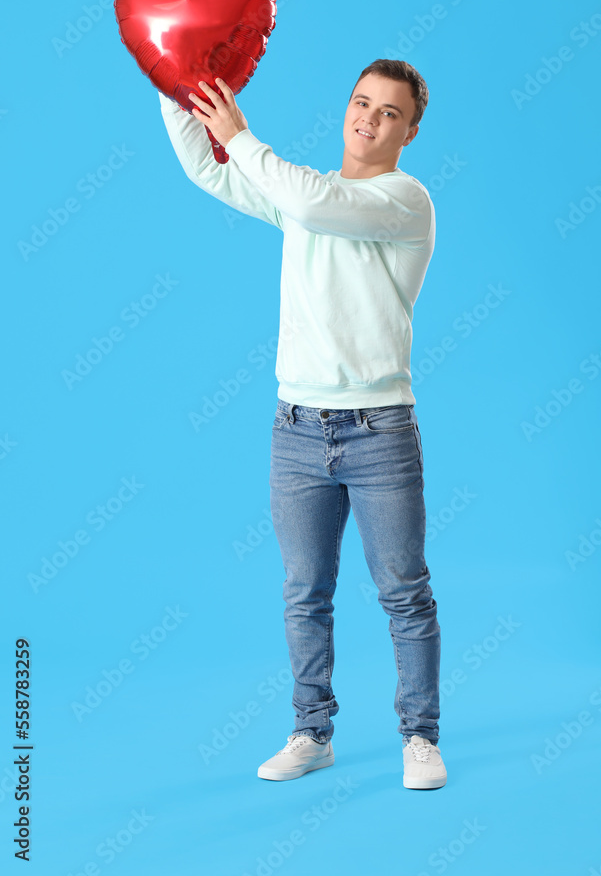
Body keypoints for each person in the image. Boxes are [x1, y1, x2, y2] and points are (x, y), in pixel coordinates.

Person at [158, 58, 445, 790]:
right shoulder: (301, 197)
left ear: (409, 131)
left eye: (387, 112)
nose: (368, 119)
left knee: (403, 590)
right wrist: (172, 82)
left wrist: (244, 136)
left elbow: (314, 202)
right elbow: (211, 173)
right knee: (303, 591)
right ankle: (311, 732)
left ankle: (419, 736)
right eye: (359, 102)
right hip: (295, 429)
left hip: (379, 431)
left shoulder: (403, 200)